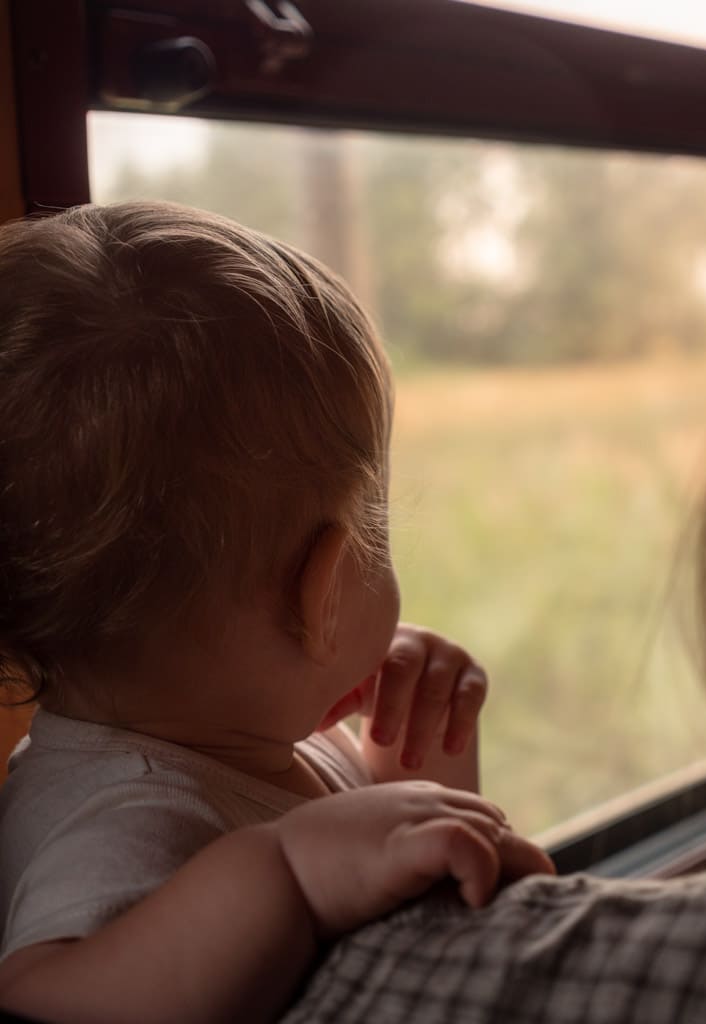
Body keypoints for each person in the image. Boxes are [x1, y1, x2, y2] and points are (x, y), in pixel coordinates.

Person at [0, 201, 554, 1023]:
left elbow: (397, 894)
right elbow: (40, 994)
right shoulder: (126, 815)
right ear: (321, 592)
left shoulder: (250, 738)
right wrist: (287, 874)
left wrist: (420, 760)